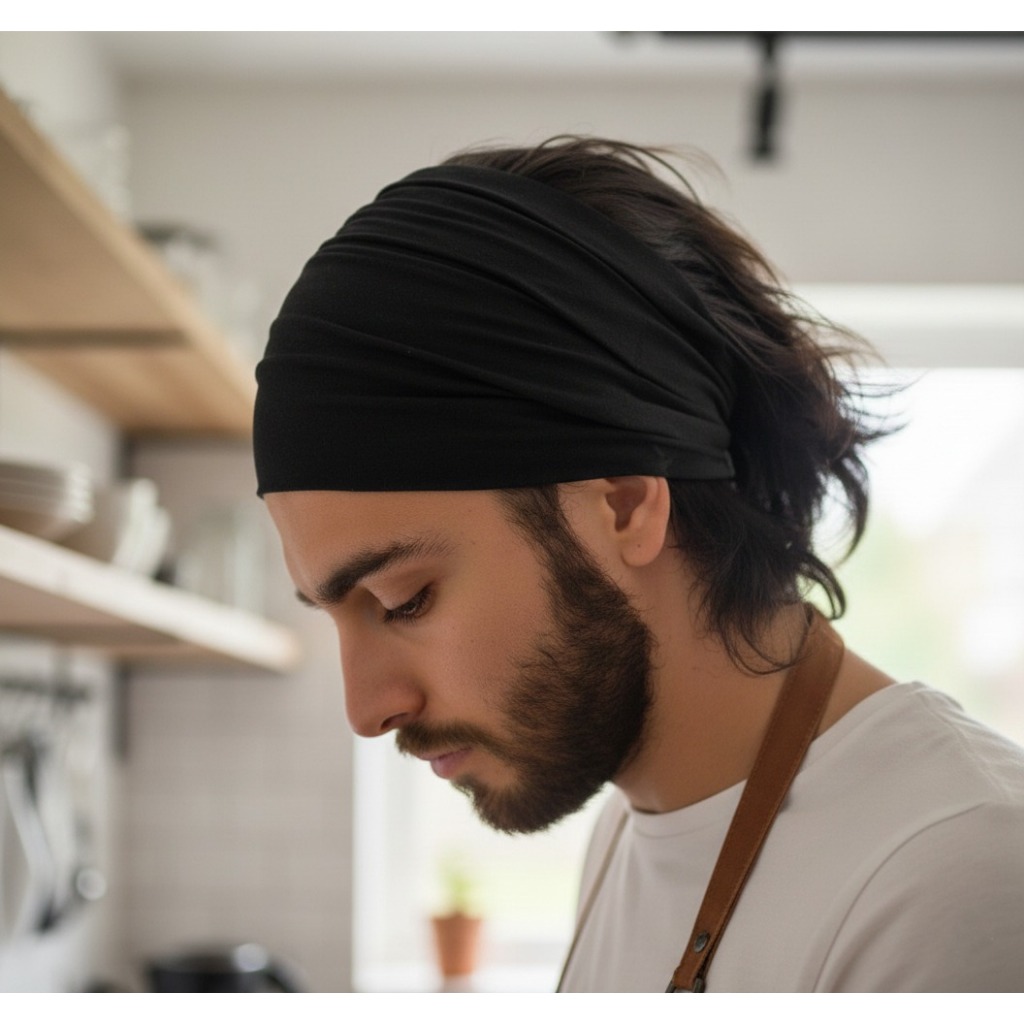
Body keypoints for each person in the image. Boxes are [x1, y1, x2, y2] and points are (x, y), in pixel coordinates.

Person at [252, 136, 1024, 992]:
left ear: (622, 503)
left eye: (404, 600)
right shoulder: (628, 827)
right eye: (333, 616)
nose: (367, 710)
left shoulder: (955, 877)